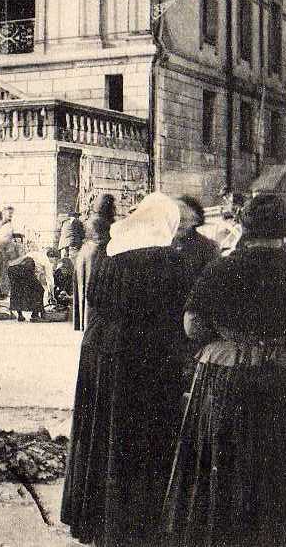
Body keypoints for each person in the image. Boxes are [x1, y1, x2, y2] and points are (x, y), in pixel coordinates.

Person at [61, 192, 199, 547]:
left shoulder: (112, 254)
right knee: (141, 437)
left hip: (102, 350)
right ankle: (137, 523)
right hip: (146, 355)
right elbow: (180, 317)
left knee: (102, 432)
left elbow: (93, 298)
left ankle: (95, 519)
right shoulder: (171, 261)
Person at [164, 193, 286, 547]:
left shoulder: (223, 266)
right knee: (277, 462)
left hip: (228, 378)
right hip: (284, 377)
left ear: (244, 225)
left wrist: (228, 339)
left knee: (225, 460)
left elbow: (192, 324)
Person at [73, 214, 111, 331]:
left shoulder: (86, 248)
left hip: (85, 260)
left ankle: (84, 324)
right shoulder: (98, 248)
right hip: (92, 267)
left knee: (84, 291)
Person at [171, 194, 220, 279]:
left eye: (183, 220)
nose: (178, 224)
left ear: (195, 220)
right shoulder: (163, 243)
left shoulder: (208, 248)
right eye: (174, 220)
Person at [7, 254, 45, 321]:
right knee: (40, 290)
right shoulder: (40, 261)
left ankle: (20, 315)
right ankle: (35, 315)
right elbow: (39, 285)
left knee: (17, 291)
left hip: (15, 272)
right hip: (25, 269)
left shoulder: (19, 262)